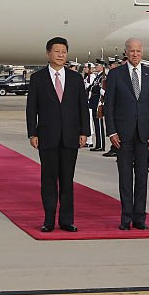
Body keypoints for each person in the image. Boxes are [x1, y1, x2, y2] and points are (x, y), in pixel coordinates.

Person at [26, 37, 90, 232]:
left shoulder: (75, 78)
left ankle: (66, 220)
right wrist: (32, 133)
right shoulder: (38, 78)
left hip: (71, 137)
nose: (61, 55)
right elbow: (31, 109)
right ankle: (48, 220)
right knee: (48, 181)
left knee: (67, 181)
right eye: (57, 51)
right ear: (48, 53)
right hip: (47, 137)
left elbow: (82, 107)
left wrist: (84, 132)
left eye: (64, 51)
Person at [104, 38, 149, 231]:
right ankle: (125, 217)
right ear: (126, 53)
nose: (135, 54)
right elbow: (109, 106)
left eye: (138, 51)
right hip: (122, 135)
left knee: (142, 179)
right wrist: (111, 131)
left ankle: (140, 217)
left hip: (144, 135)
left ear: (142, 52)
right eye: (132, 51)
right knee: (125, 178)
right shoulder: (115, 74)